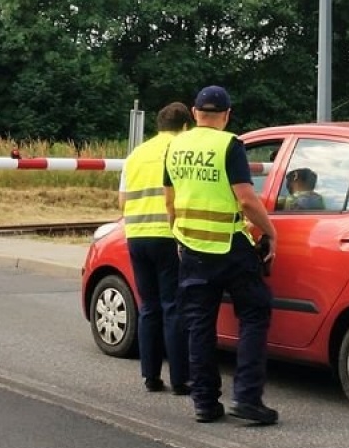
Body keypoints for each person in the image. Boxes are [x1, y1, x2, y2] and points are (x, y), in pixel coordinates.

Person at [163, 85, 280, 425]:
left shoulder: (174, 147)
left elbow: (170, 202)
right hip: (230, 247)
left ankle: (204, 403)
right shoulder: (229, 144)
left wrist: (179, 238)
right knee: (255, 313)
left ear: (194, 111)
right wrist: (270, 232)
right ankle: (247, 398)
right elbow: (245, 199)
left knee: (199, 325)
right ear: (227, 114)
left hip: (192, 247)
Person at [118, 101, 193, 397]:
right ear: (185, 126)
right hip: (168, 236)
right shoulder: (179, 151)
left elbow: (122, 202)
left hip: (136, 236)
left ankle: (150, 376)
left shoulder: (136, 155)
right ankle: (179, 379)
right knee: (173, 307)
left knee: (148, 307)